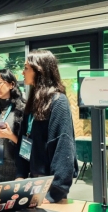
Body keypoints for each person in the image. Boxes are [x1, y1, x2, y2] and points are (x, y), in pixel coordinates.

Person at [15, 49, 78, 203]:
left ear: (39, 70)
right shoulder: (32, 103)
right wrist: (20, 175)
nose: (22, 72)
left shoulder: (58, 102)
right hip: (32, 182)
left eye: (26, 68)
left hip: (50, 188)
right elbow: (25, 141)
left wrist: (54, 194)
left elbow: (63, 148)